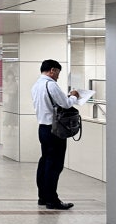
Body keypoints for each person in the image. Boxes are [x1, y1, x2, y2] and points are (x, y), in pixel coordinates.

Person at [31, 59, 80, 210]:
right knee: (55, 165)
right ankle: (52, 200)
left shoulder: (36, 85)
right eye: (58, 72)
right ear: (52, 70)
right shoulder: (51, 84)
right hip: (55, 130)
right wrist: (74, 96)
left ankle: (43, 197)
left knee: (45, 161)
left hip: (43, 128)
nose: (58, 76)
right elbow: (66, 104)